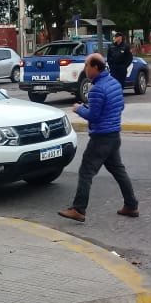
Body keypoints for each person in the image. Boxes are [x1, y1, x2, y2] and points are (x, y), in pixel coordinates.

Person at [58, 53, 139, 223]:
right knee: (118, 171)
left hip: (101, 138)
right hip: (114, 135)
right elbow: (119, 106)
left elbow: (93, 116)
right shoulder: (114, 83)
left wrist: (79, 109)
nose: (85, 69)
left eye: (87, 65)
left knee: (86, 171)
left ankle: (79, 209)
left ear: (95, 67)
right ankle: (131, 205)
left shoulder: (97, 89)